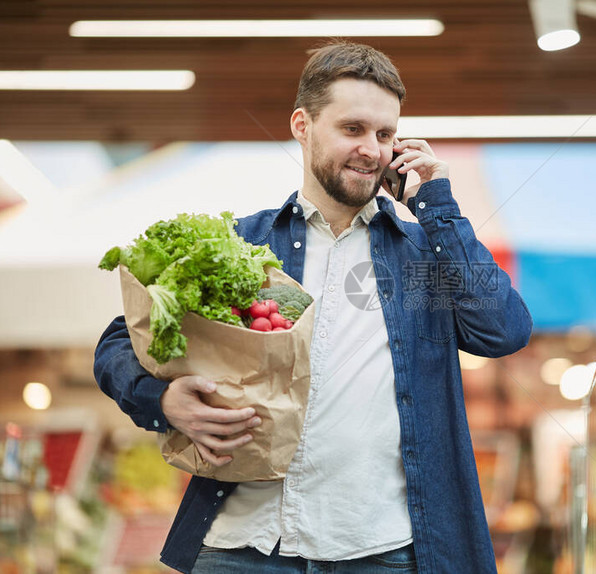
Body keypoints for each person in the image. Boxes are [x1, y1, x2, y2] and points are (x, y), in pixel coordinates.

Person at [94, 41, 533, 574]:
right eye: (353, 129)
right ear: (302, 126)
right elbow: (121, 340)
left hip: (384, 551)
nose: (372, 150)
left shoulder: (423, 258)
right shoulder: (243, 246)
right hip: (243, 547)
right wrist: (162, 400)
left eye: (385, 134)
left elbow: (503, 330)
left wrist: (436, 205)